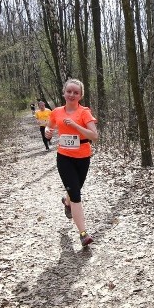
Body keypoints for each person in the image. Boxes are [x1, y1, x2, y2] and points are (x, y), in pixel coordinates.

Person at [46, 79, 98, 247]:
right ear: (64, 93)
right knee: (76, 194)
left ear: (80, 95)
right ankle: (83, 234)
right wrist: (48, 132)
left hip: (83, 158)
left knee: (75, 190)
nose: (72, 95)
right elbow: (49, 127)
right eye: (69, 91)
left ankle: (66, 202)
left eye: (76, 92)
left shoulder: (84, 112)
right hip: (64, 158)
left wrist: (76, 125)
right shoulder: (56, 112)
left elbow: (94, 136)